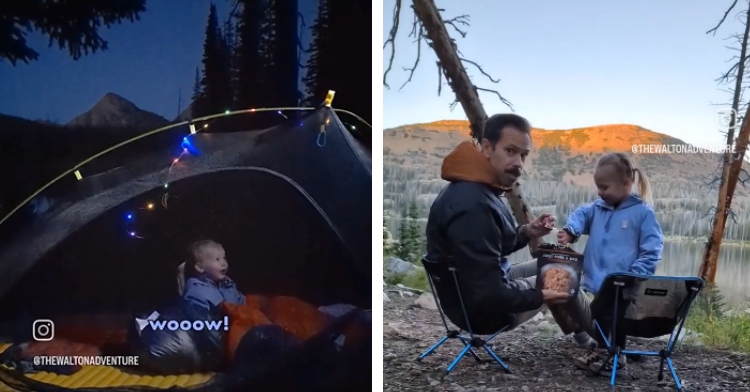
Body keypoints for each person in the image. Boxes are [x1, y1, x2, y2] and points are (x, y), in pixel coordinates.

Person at [424, 113, 597, 347]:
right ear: (487, 147)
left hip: (466, 298)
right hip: (485, 312)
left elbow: (495, 245)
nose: (519, 163)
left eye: (523, 155)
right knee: (566, 276)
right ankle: (601, 341)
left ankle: (582, 336)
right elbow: (489, 294)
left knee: (556, 264)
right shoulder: (473, 206)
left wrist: (529, 231)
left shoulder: (474, 187)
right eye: (510, 151)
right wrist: (541, 295)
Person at [558, 152, 664, 377]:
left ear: (626, 184)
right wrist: (571, 231)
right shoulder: (598, 208)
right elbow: (581, 214)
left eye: (605, 187)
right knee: (600, 318)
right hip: (599, 280)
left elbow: (652, 249)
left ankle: (618, 360)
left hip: (624, 282)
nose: (600, 192)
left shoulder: (642, 213)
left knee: (613, 318)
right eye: (598, 187)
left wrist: (635, 274)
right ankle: (603, 351)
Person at [180, 239, 245, 311]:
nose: (224, 263)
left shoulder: (227, 284)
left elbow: (241, 302)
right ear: (200, 267)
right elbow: (198, 316)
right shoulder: (196, 290)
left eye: (224, 258)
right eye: (217, 259)